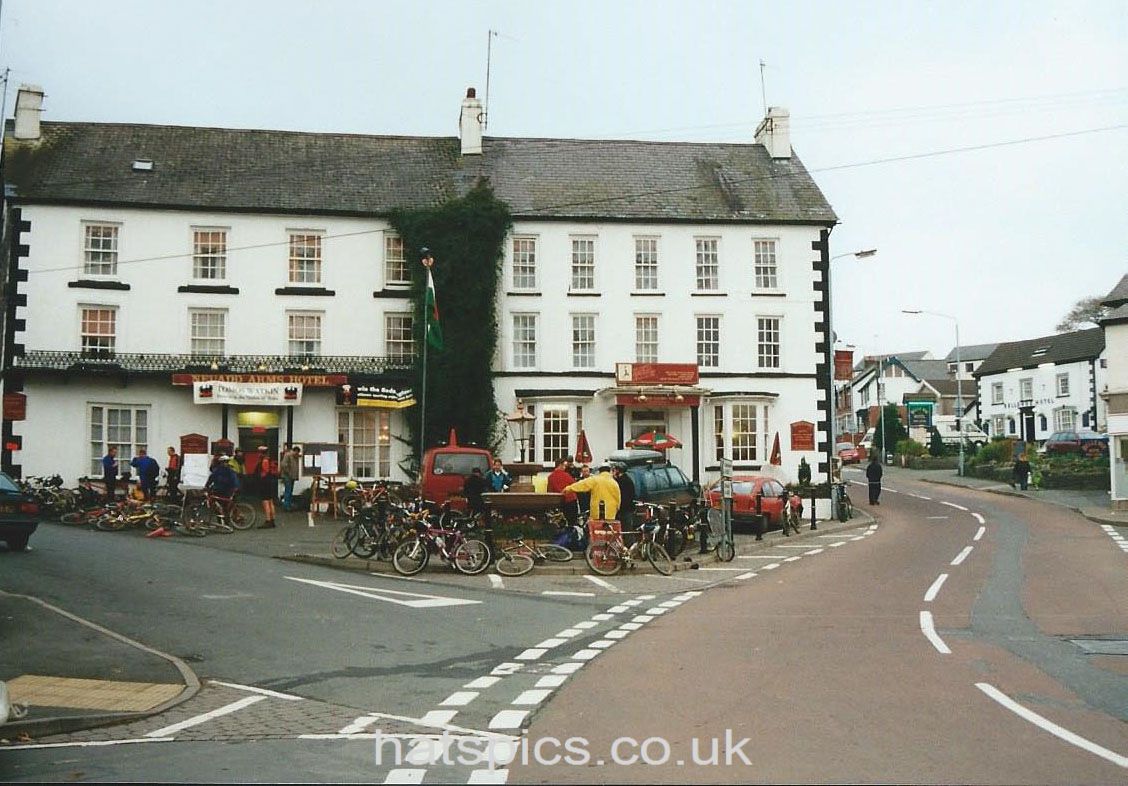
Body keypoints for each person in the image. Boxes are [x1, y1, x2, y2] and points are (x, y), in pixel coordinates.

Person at [205, 455, 240, 522]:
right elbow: (211, 479)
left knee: (224, 506)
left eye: (226, 462)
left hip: (225, 490)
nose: (225, 463)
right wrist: (207, 486)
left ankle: (225, 520)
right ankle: (221, 520)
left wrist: (236, 487)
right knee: (219, 506)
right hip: (220, 490)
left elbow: (235, 479)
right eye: (224, 462)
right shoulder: (219, 470)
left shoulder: (228, 471)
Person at [547, 457, 579, 527]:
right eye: (564, 465)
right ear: (560, 465)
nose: (565, 467)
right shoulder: (566, 475)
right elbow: (575, 485)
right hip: (570, 501)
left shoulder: (550, 477)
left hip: (558, 502)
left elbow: (549, 491)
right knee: (572, 523)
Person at [252, 446, 279, 528]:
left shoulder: (264, 461)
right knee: (271, 501)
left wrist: (260, 479)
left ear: (261, 453)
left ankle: (268, 520)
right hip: (270, 482)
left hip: (265, 483)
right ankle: (272, 519)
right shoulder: (270, 460)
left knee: (265, 502)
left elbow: (265, 471)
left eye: (259, 452)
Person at [612, 463, 636, 529]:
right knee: (627, 528)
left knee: (625, 529)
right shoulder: (627, 479)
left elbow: (622, 497)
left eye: (615, 469)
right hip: (627, 509)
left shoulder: (621, 481)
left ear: (618, 470)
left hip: (624, 510)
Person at [280, 444, 301, 512]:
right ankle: (286, 506)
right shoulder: (288, 455)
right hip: (287, 476)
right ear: (294, 451)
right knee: (288, 491)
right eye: (297, 452)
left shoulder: (295, 457)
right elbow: (283, 465)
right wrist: (288, 473)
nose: (297, 454)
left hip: (292, 477)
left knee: (290, 491)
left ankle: (288, 505)